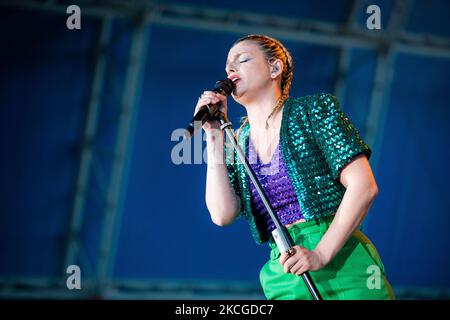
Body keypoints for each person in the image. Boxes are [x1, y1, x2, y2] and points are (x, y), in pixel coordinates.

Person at [193, 34, 395, 300]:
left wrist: (321, 253)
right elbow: (222, 214)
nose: (230, 69)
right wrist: (214, 135)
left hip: (341, 261)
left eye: (242, 60)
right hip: (285, 271)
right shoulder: (237, 141)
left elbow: (364, 186)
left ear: (275, 68)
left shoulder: (312, 111)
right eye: (228, 66)